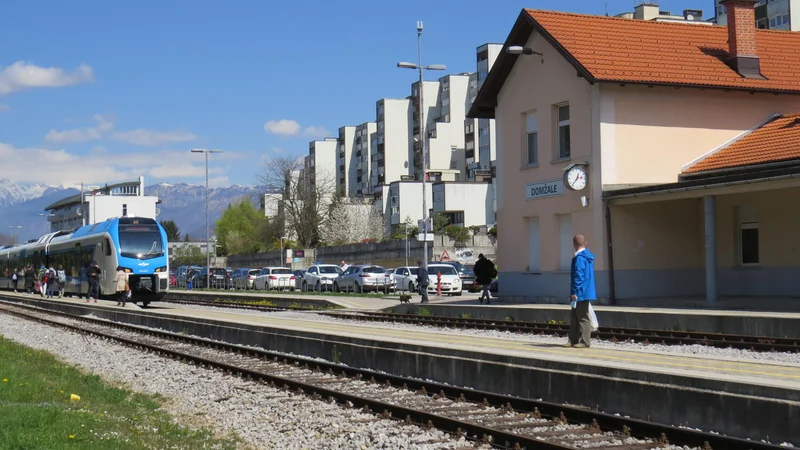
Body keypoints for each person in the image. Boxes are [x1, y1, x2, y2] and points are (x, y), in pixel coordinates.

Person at [568, 234, 597, 348]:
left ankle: (585, 341)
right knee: (575, 316)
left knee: (583, 317)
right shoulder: (587, 257)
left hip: (581, 292)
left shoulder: (580, 258)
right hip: (585, 290)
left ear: (573, 244)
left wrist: (575, 291)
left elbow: (578, 276)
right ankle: (573, 340)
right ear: (585, 243)